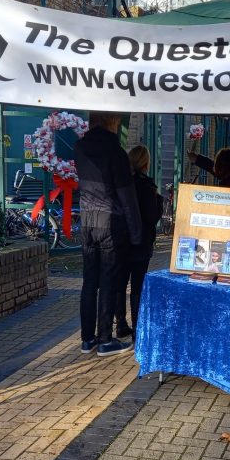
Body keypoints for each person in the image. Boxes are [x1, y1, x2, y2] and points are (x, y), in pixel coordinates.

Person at [75, 112, 142, 357]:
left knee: (88, 282)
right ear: (112, 120)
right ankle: (105, 339)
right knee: (108, 282)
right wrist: (136, 235)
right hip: (110, 223)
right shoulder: (116, 153)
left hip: (87, 222)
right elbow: (127, 197)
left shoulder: (79, 147)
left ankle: (87, 338)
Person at [114, 145, 163, 341]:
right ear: (145, 163)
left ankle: (120, 325)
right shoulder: (146, 186)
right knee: (137, 285)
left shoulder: (121, 183)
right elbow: (151, 217)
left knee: (119, 283)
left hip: (121, 240)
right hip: (141, 242)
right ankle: (137, 328)